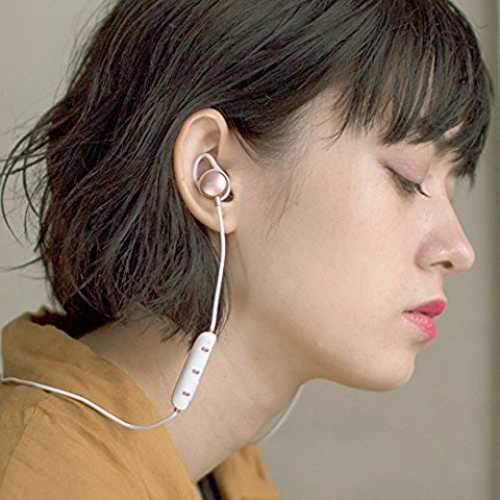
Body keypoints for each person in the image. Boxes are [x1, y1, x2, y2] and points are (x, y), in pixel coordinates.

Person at [0, 0, 494, 499]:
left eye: (451, 189)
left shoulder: (218, 469)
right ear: (212, 173)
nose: (458, 250)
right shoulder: (42, 480)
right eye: (408, 178)